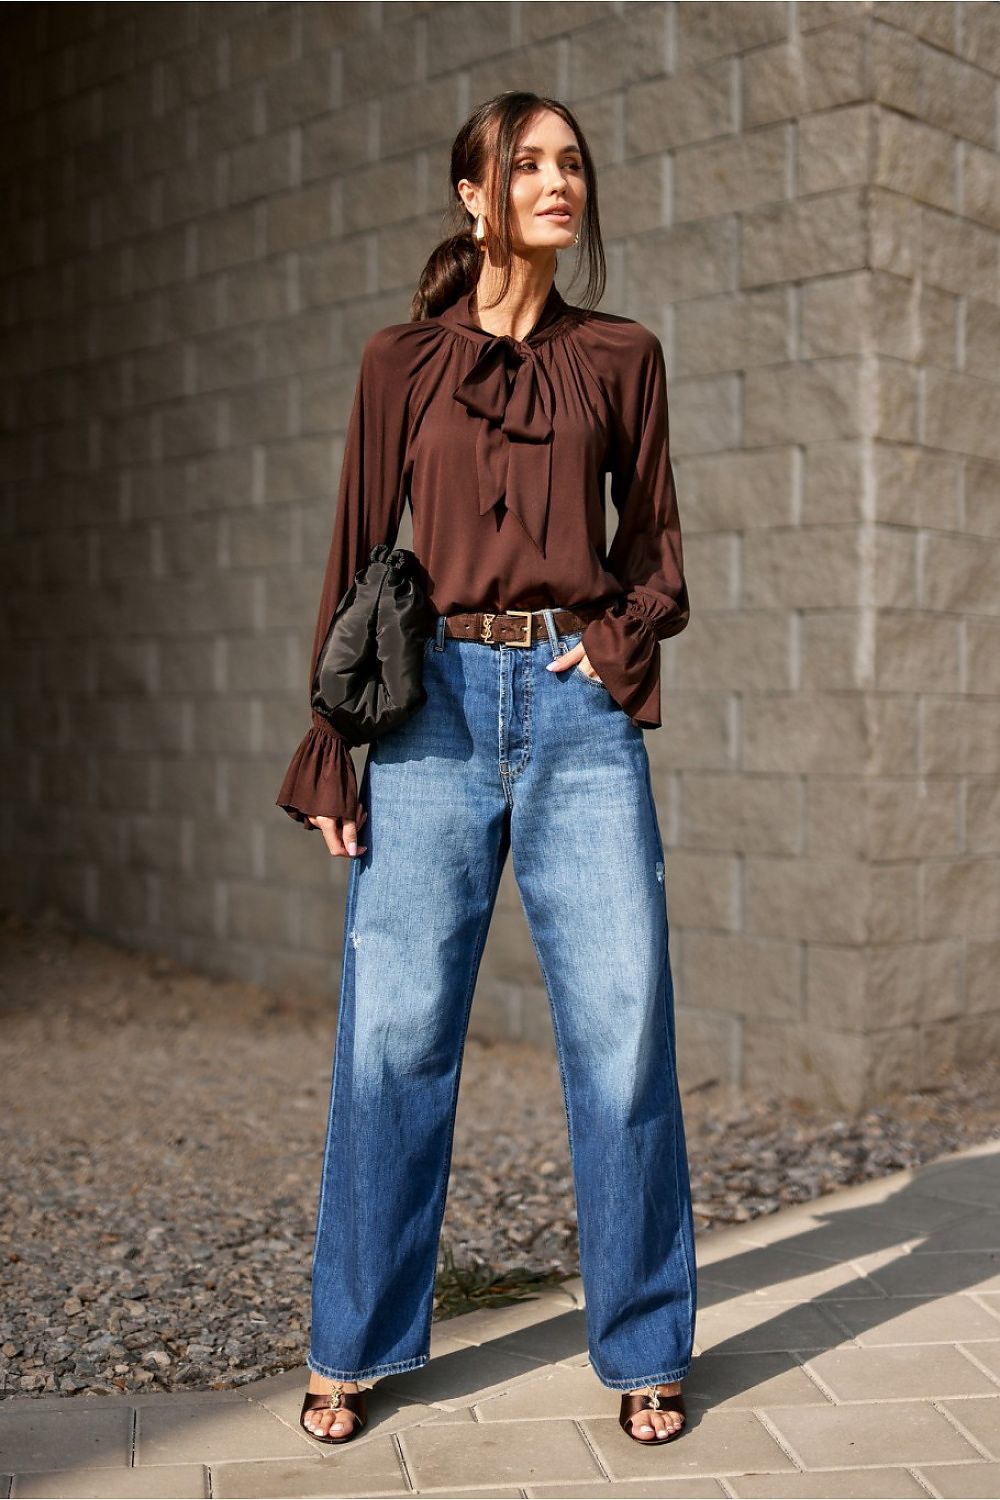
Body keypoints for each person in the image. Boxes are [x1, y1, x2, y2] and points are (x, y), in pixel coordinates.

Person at [278, 91, 697, 1449]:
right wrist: (335, 748)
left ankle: (646, 1344)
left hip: (577, 717)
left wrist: (612, 639)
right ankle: (354, 1342)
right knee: (395, 1035)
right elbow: (356, 556)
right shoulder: (399, 361)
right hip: (432, 714)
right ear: (475, 195)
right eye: (528, 164)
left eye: (572, 163)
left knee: (624, 1031)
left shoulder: (623, 356)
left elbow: (657, 551)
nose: (558, 182)